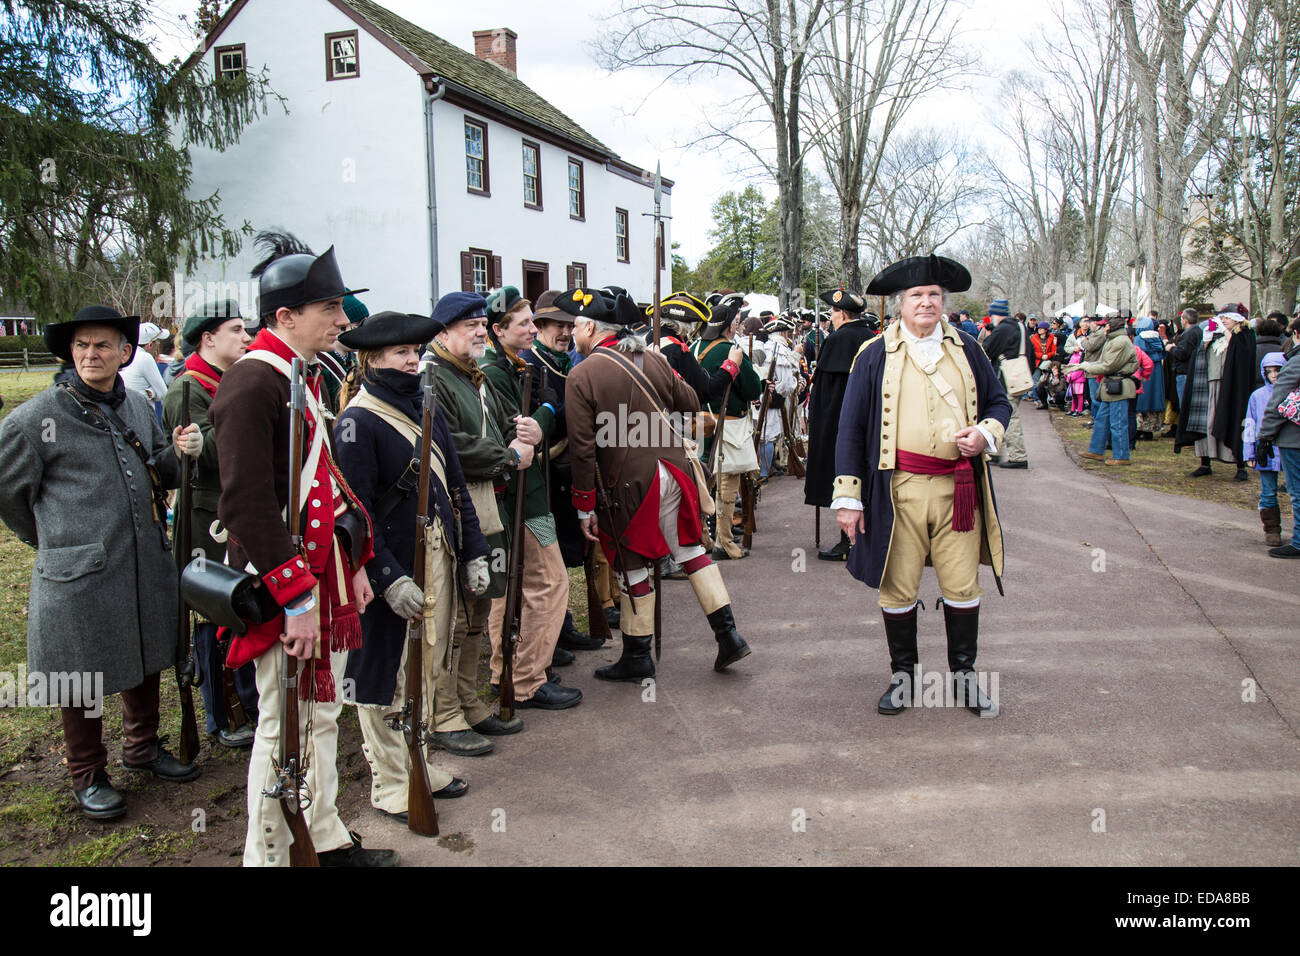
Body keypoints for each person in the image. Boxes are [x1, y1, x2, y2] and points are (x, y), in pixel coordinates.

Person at [209, 230, 396, 867]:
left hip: (324, 578)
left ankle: (324, 837)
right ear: (286, 316)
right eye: (331, 310)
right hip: (284, 586)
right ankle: (267, 857)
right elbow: (247, 505)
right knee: (281, 724)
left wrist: (356, 560)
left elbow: (323, 484)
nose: (343, 321)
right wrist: (296, 598)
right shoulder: (252, 384)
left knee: (317, 717)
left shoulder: (297, 376)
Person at [0, 305, 204, 819]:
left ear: (125, 352)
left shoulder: (137, 403)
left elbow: (157, 468)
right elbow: (7, 491)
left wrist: (182, 452)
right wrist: (50, 540)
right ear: (71, 353)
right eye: (82, 346)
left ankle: (142, 748)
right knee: (81, 670)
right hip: (77, 572)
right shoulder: (36, 417)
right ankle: (87, 773)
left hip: (141, 560)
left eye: (103, 345)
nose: (91, 354)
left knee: (146, 649)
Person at [834, 255, 1011, 717]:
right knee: (897, 586)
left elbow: (998, 402)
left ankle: (965, 677)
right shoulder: (872, 355)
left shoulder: (970, 349)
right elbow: (850, 427)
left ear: (944, 302)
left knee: (962, 584)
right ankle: (903, 677)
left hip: (960, 487)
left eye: (934, 295)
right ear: (899, 305)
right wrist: (849, 498)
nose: (926, 303)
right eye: (916, 296)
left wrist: (985, 433)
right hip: (898, 490)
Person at [333, 310, 493, 819]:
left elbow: (455, 487)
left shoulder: (425, 404)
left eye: (414, 351)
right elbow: (354, 515)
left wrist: (473, 552)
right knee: (386, 675)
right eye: (399, 352)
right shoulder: (358, 421)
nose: (411, 359)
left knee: (427, 663)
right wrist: (386, 576)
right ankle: (390, 782)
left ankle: (419, 761)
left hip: (439, 554)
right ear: (373, 358)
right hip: (392, 570)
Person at [562, 287, 752, 681]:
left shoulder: (581, 374)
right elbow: (689, 402)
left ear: (592, 329)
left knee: (631, 561)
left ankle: (637, 655)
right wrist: (663, 371)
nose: (572, 333)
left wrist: (585, 504)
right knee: (690, 551)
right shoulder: (650, 357)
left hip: (629, 481)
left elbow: (582, 449)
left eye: (577, 325)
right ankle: (728, 636)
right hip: (674, 468)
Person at [426, 291, 545, 750]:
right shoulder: (433, 375)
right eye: (468, 325)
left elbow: (494, 429)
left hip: (485, 503)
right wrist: (506, 455)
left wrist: (525, 435)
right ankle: (445, 713)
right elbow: (448, 443)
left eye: (481, 324)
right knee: (454, 615)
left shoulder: (470, 375)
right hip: (457, 504)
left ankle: (471, 703)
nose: (479, 331)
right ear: (443, 333)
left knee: (480, 607)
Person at [162, 298, 257, 749]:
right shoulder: (188, 387)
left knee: (239, 607)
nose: (246, 337)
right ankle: (222, 715)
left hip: (231, 511)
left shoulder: (228, 379)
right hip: (206, 518)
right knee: (212, 611)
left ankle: (244, 701)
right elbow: (196, 456)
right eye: (236, 330)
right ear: (208, 338)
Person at [481, 286, 583, 710]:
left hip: (529, 497)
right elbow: (516, 429)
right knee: (549, 580)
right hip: (524, 501)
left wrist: (545, 410)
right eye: (523, 322)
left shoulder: (512, 364)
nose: (531, 328)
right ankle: (525, 680)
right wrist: (547, 412)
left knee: (515, 586)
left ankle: (509, 669)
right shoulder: (495, 370)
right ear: (498, 329)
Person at [526, 290, 607, 653]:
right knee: (542, 565)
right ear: (540, 326)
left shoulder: (566, 362)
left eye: (567, 325)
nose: (563, 332)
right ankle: (545, 638)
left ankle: (562, 626)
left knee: (565, 560)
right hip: (539, 481)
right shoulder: (531, 364)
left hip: (566, 475)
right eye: (556, 325)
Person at [803, 289, 877, 560]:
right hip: (869, 423)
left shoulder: (838, 340)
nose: (831, 317)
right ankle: (862, 536)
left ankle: (849, 542)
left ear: (843, 313)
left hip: (839, 425)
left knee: (842, 474)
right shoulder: (871, 338)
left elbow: (829, 395)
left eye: (833, 312)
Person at [692, 294, 761, 560]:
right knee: (726, 486)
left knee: (702, 483)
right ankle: (724, 541)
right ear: (730, 326)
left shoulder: (694, 347)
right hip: (727, 427)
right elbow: (752, 388)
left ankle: (704, 538)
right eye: (737, 322)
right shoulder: (730, 350)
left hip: (698, 425)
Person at [1071, 314, 1138, 465]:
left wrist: (1086, 366)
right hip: (1111, 385)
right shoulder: (1114, 340)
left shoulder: (1120, 342)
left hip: (1118, 386)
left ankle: (1121, 456)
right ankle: (1096, 450)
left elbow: (1108, 365)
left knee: (1118, 423)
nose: (1102, 328)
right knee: (1101, 420)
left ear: (1111, 326)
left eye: (1104, 325)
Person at [1256, 348, 1300, 557]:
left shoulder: (1295, 362)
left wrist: (1265, 437)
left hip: (1294, 437)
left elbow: (1278, 401)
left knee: (1297, 491)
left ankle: (1299, 541)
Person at [1243, 352, 1288, 548]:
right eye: (1269, 371)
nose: (1274, 375)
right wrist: (1249, 452)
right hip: (1265, 449)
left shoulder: (1292, 392)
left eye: (1278, 370)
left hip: (1287, 448)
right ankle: (1272, 529)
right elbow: (1250, 424)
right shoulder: (1257, 396)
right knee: (1268, 491)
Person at [981, 299, 1031, 468]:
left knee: (1009, 417)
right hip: (1018, 377)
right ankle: (994, 452)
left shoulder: (1004, 329)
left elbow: (986, 348)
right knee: (1004, 414)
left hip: (1006, 379)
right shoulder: (1020, 326)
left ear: (997, 314)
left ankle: (1018, 456)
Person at [1210, 308, 1257, 481]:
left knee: (1240, 420)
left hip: (1241, 387)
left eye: (1226, 318)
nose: (1224, 322)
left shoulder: (1245, 335)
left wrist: (1227, 334)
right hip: (1231, 385)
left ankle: (1241, 464)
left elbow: (1241, 353)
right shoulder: (1234, 335)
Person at [121, 321, 171, 410]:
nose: (159, 344)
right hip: (142, 413)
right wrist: (154, 393)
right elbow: (164, 394)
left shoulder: (126, 355)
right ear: (150, 344)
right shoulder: (145, 358)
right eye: (158, 341)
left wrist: (152, 392)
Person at [1132, 316, 1166, 441]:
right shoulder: (1158, 338)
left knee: (1142, 398)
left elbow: (1136, 355)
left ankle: (1139, 428)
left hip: (1143, 370)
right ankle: (1150, 430)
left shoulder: (1139, 339)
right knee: (1154, 397)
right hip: (1156, 371)